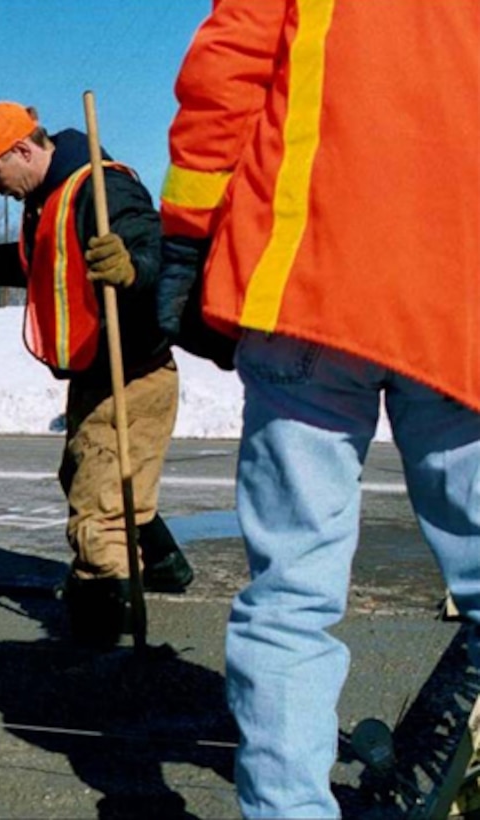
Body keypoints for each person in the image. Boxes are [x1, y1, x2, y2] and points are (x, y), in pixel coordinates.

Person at [161, 2, 480, 816]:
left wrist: (188, 238)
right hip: (455, 302)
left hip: (306, 283)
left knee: (292, 597)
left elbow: (223, 78)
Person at [0, 101, 194, 648]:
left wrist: (130, 267)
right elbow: (46, 262)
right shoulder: (47, 201)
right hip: (97, 373)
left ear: (22, 150)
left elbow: (154, 249)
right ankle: (164, 565)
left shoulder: (103, 190)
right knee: (85, 475)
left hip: (134, 371)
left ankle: (108, 643)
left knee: (99, 508)